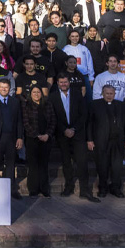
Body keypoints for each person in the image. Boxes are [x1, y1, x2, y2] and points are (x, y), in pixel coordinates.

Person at [49, 74, 98, 202]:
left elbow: (84, 114)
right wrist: (64, 129)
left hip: (78, 133)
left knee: (82, 162)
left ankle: (84, 190)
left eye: (65, 82)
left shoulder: (77, 95)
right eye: (61, 82)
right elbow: (53, 116)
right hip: (62, 134)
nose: (63, 84)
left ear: (69, 82)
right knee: (66, 163)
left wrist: (73, 129)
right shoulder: (52, 97)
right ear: (57, 83)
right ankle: (68, 187)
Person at [88, 85, 125, 198]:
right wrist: (89, 139)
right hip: (101, 141)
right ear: (102, 93)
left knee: (117, 167)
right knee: (102, 166)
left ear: (115, 94)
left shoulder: (120, 105)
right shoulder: (94, 105)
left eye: (111, 93)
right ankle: (103, 188)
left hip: (117, 142)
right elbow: (89, 123)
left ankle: (116, 188)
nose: (109, 96)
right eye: (107, 93)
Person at [22, 86, 55, 198]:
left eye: (38, 92)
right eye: (34, 92)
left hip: (46, 139)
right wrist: (37, 135)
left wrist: (47, 134)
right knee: (33, 165)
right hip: (32, 139)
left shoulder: (48, 105)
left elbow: (53, 121)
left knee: (44, 165)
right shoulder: (26, 105)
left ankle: (44, 189)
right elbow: (26, 123)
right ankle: (33, 189)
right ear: (30, 94)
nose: (36, 94)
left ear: (42, 93)